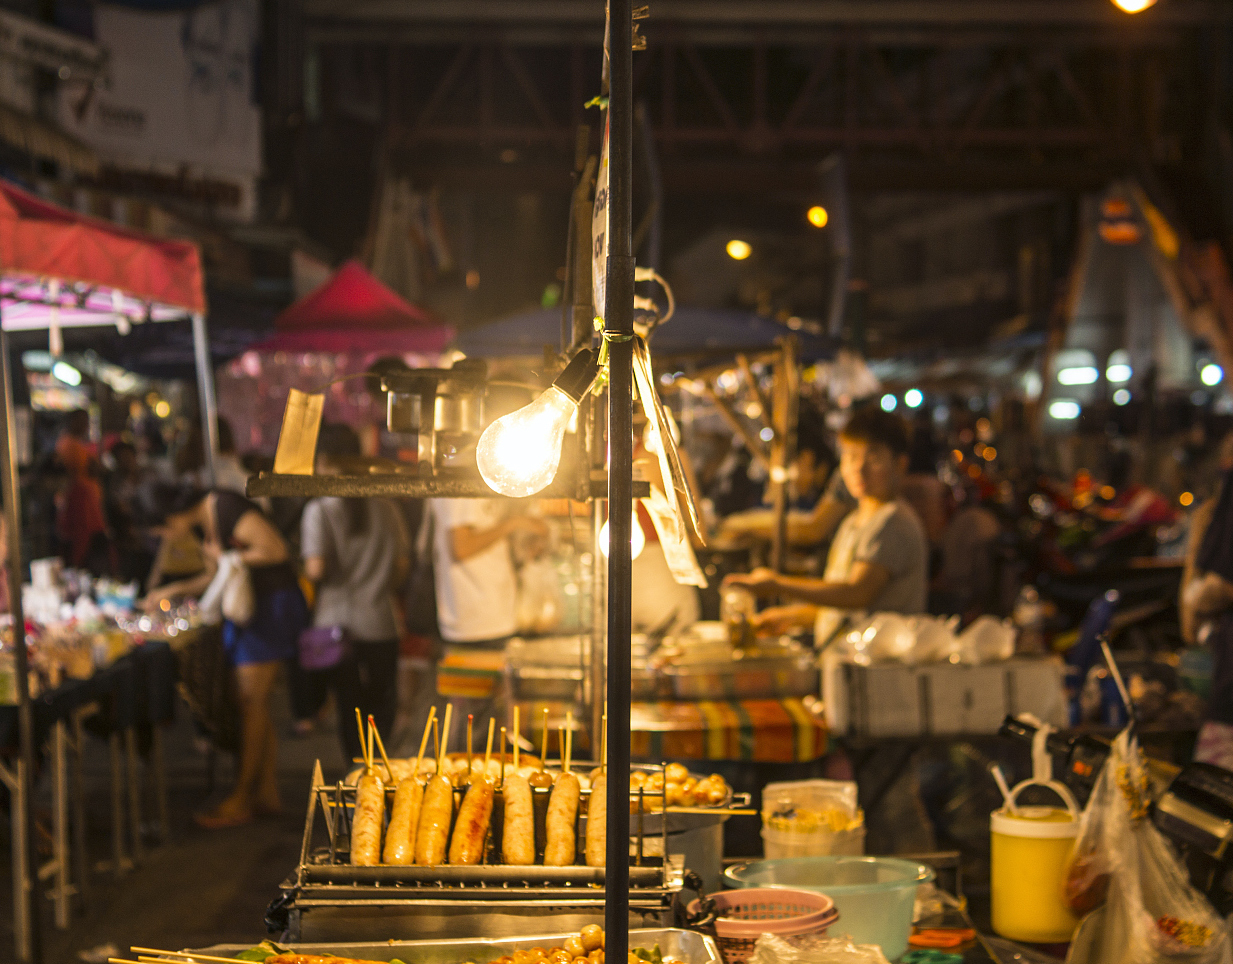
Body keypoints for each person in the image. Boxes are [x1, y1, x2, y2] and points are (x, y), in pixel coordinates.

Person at [143, 487, 308, 827]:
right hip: (247, 610)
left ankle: (242, 796)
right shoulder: (206, 523)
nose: (165, 538)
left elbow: (274, 549)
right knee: (249, 702)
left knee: (251, 701)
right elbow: (215, 574)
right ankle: (265, 791)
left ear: (170, 518)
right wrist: (172, 590)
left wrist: (232, 559)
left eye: (161, 530)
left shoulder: (226, 506)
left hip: (269, 607)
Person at [723, 407, 928, 637]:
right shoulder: (852, 522)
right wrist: (789, 618)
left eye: (874, 457)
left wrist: (777, 584)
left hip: (877, 670)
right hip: (844, 663)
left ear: (900, 464)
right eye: (850, 456)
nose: (859, 468)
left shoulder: (893, 522)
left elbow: (857, 594)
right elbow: (840, 607)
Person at [300, 424, 409, 764]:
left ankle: (357, 775)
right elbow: (403, 563)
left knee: (350, 709)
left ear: (326, 461)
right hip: (381, 622)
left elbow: (315, 569)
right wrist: (379, 586)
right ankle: (380, 767)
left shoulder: (319, 509)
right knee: (381, 702)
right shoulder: (385, 506)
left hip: (337, 626)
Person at [429, 496, 547, 748]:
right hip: (473, 622)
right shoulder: (459, 479)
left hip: (494, 618)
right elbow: (460, 547)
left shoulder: (485, 476)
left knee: (493, 724)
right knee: (472, 729)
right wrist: (512, 523)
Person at [55, 410, 110, 571]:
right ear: (72, 422)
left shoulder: (77, 444)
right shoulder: (68, 444)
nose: (86, 426)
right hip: (80, 504)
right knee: (81, 547)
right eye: (82, 421)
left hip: (88, 503)